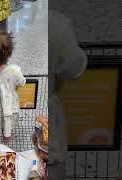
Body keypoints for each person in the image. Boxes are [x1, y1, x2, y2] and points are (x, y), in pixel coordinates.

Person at [50, 10, 88, 179]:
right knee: (47, 165)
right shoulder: (56, 22)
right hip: (43, 117)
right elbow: (74, 67)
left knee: (1, 166)